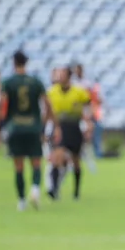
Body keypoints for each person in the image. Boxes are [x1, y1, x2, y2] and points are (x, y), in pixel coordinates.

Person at [0, 52, 53, 211]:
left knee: (18, 165)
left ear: (13, 63)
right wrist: (44, 124)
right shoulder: (36, 82)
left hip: (15, 127)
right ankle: (35, 189)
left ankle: (21, 201)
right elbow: (48, 105)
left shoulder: (8, 82)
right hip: (33, 127)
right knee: (36, 162)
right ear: (26, 63)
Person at [46, 66, 94, 200]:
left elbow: (88, 107)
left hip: (74, 127)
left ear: (68, 76)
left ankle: (76, 191)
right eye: (58, 74)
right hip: (59, 127)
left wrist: (89, 124)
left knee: (76, 160)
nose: (59, 77)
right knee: (56, 158)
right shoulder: (52, 92)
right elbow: (47, 110)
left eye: (62, 74)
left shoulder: (79, 92)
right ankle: (54, 189)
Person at [73, 63, 104, 159]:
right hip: (77, 112)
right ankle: (80, 152)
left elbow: (94, 99)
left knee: (93, 130)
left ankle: (96, 152)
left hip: (87, 112)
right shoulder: (73, 83)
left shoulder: (87, 84)